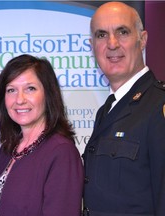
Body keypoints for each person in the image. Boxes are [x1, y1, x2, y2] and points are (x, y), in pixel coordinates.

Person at [82, 2, 165, 216]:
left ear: (143, 39)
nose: (112, 44)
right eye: (101, 35)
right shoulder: (107, 110)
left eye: (122, 32)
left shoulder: (158, 106)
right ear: (92, 46)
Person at [0, 54, 84, 216]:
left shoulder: (61, 153)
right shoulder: (8, 149)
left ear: (48, 94)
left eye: (30, 89)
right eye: (11, 90)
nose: (19, 99)